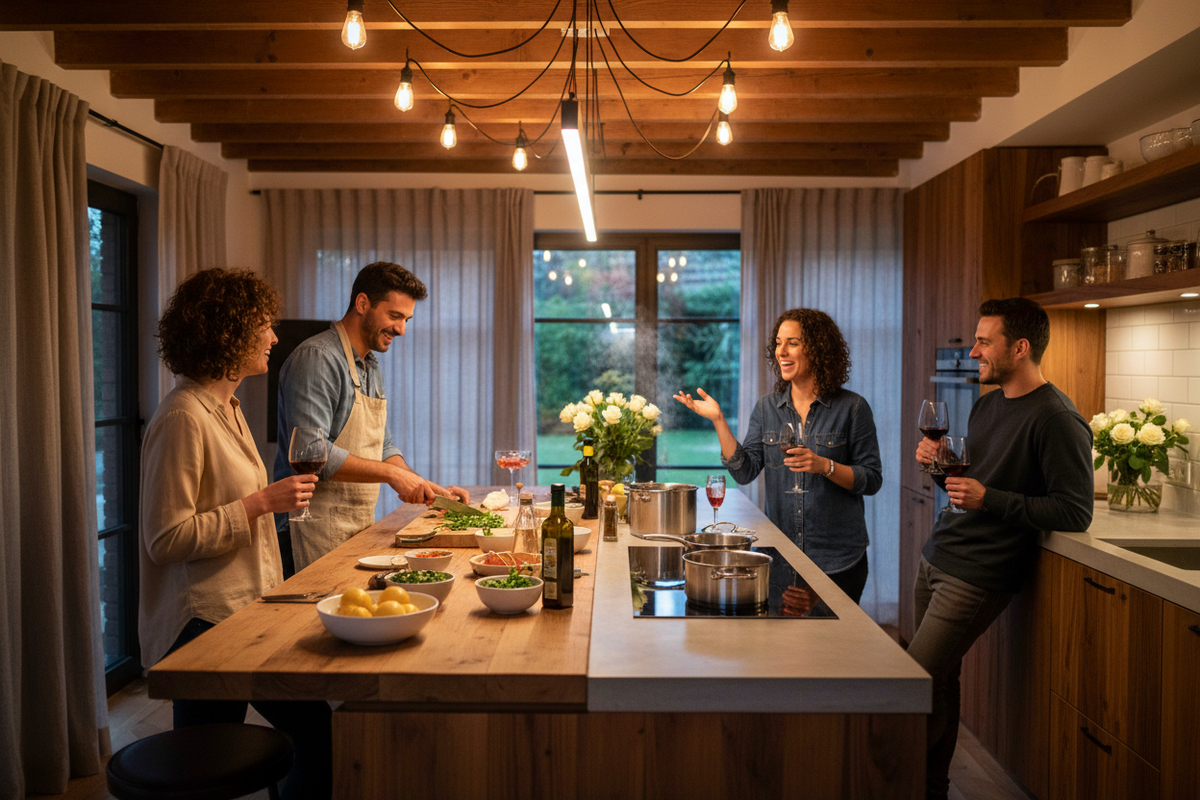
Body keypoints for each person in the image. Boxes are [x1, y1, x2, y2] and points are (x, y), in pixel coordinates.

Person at [139, 268, 331, 800]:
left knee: (313, 724)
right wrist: (260, 503)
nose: (274, 336)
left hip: (242, 614)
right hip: (202, 622)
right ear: (228, 331)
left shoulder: (229, 408)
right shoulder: (182, 417)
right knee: (203, 769)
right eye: (264, 326)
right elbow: (165, 539)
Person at [910, 297, 1094, 800]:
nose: (973, 352)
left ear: (1020, 347)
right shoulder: (990, 403)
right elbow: (970, 478)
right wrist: (937, 460)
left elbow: (1075, 511)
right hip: (938, 554)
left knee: (912, 682)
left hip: (978, 572)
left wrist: (992, 499)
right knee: (939, 682)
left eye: (984, 342)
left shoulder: (1057, 418)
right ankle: (931, 788)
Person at [673, 308, 882, 604]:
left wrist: (825, 466)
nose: (781, 352)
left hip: (837, 561)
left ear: (818, 349)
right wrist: (718, 419)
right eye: (778, 343)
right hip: (783, 556)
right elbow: (745, 471)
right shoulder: (766, 408)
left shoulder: (853, 407)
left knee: (832, 648)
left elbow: (871, 479)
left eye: (793, 343)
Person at [274, 261, 468, 574]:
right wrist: (392, 476)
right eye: (394, 316)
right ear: (362, 303)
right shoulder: (317, 358)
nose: (402, 329)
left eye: (406, 319)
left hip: (351, 527)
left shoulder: (370, 365)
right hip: (306, 530)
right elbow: (312, 452)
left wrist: (423, 484)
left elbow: (384, 446)